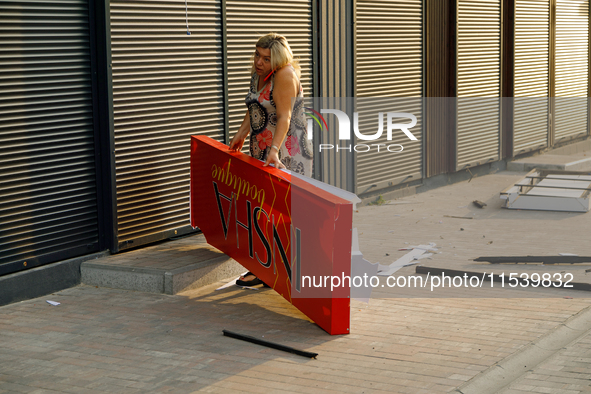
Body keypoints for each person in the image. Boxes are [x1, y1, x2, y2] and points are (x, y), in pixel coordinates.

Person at [229, 32, 313, 287]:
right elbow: (254, 107)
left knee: (278, 209)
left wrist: (274, 150)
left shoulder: (284, 75)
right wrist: (240, 134)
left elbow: (285, 117)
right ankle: (267, 267)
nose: (258, 61)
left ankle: (272, 269)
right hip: (262, 147)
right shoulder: (259, 74)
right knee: (261, 207)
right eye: (257, 55)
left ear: (277, 59)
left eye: (266, 58)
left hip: (285, 150)